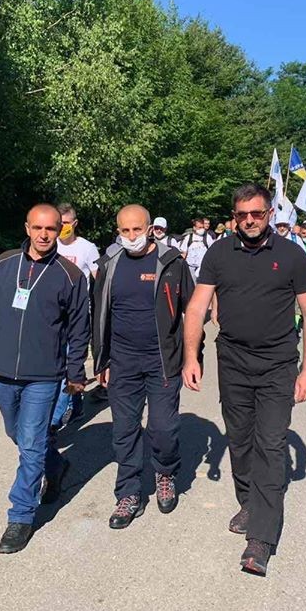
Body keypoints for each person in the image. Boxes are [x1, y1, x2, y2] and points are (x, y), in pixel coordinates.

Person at [182, 182, 306, 577]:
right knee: (240, 440)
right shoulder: (218, 253)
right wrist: (191, 356)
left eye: (257, 213)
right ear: (234, 217)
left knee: (271, 445)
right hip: (233, 362)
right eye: (242, 215)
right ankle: (249, 501)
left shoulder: (292, 255)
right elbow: (197, 307)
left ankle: (261, 536)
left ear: (269, 214)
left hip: (278, 363)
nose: (249, 221)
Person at [0, 204, 89, 554]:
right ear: (27, 228)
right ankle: (56, 464)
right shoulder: (3, 265)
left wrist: (75, 372)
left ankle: (20, 516)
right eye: (38, 228)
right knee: (17, 434)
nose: (44, 235)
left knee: (31, 443)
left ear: (60, 231)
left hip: (45, 376)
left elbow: (79, 328)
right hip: (5, 373)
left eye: (51, 229)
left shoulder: (69, 276)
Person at [92, 205, 196, 528]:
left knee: (163, 429)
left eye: (137, 229)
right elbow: (99, 314)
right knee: (124, 430)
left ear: (150, 229)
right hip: (122, 361)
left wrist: (193, 357)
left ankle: (165, 473)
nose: (131, 236)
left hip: (162, 361)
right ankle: (128, 492)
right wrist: (101, 359)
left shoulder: (172, 263)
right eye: (125, 231)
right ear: (118, 231)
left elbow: (193, 311)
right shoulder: (109, 264)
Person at [53, 203, 100, 420]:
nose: (62, 227)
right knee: (59, 364)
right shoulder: (50, 245)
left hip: (78, 316)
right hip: (53, 316)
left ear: (74, 223)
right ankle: (77, 406)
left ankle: (55, 420)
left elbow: (100, 280)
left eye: (65, 223)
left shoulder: (87, 248)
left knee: (70, 362)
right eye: (59, 223)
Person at [178, 217, 215, 282]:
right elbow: (184, 253)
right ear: (194, 227)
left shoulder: (207, 237)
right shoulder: (188, 238)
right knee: (190, 285)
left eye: (202, 227)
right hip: (190, 268)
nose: (202, 229)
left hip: (203, 268)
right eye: (199, 227)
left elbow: (213, 252)